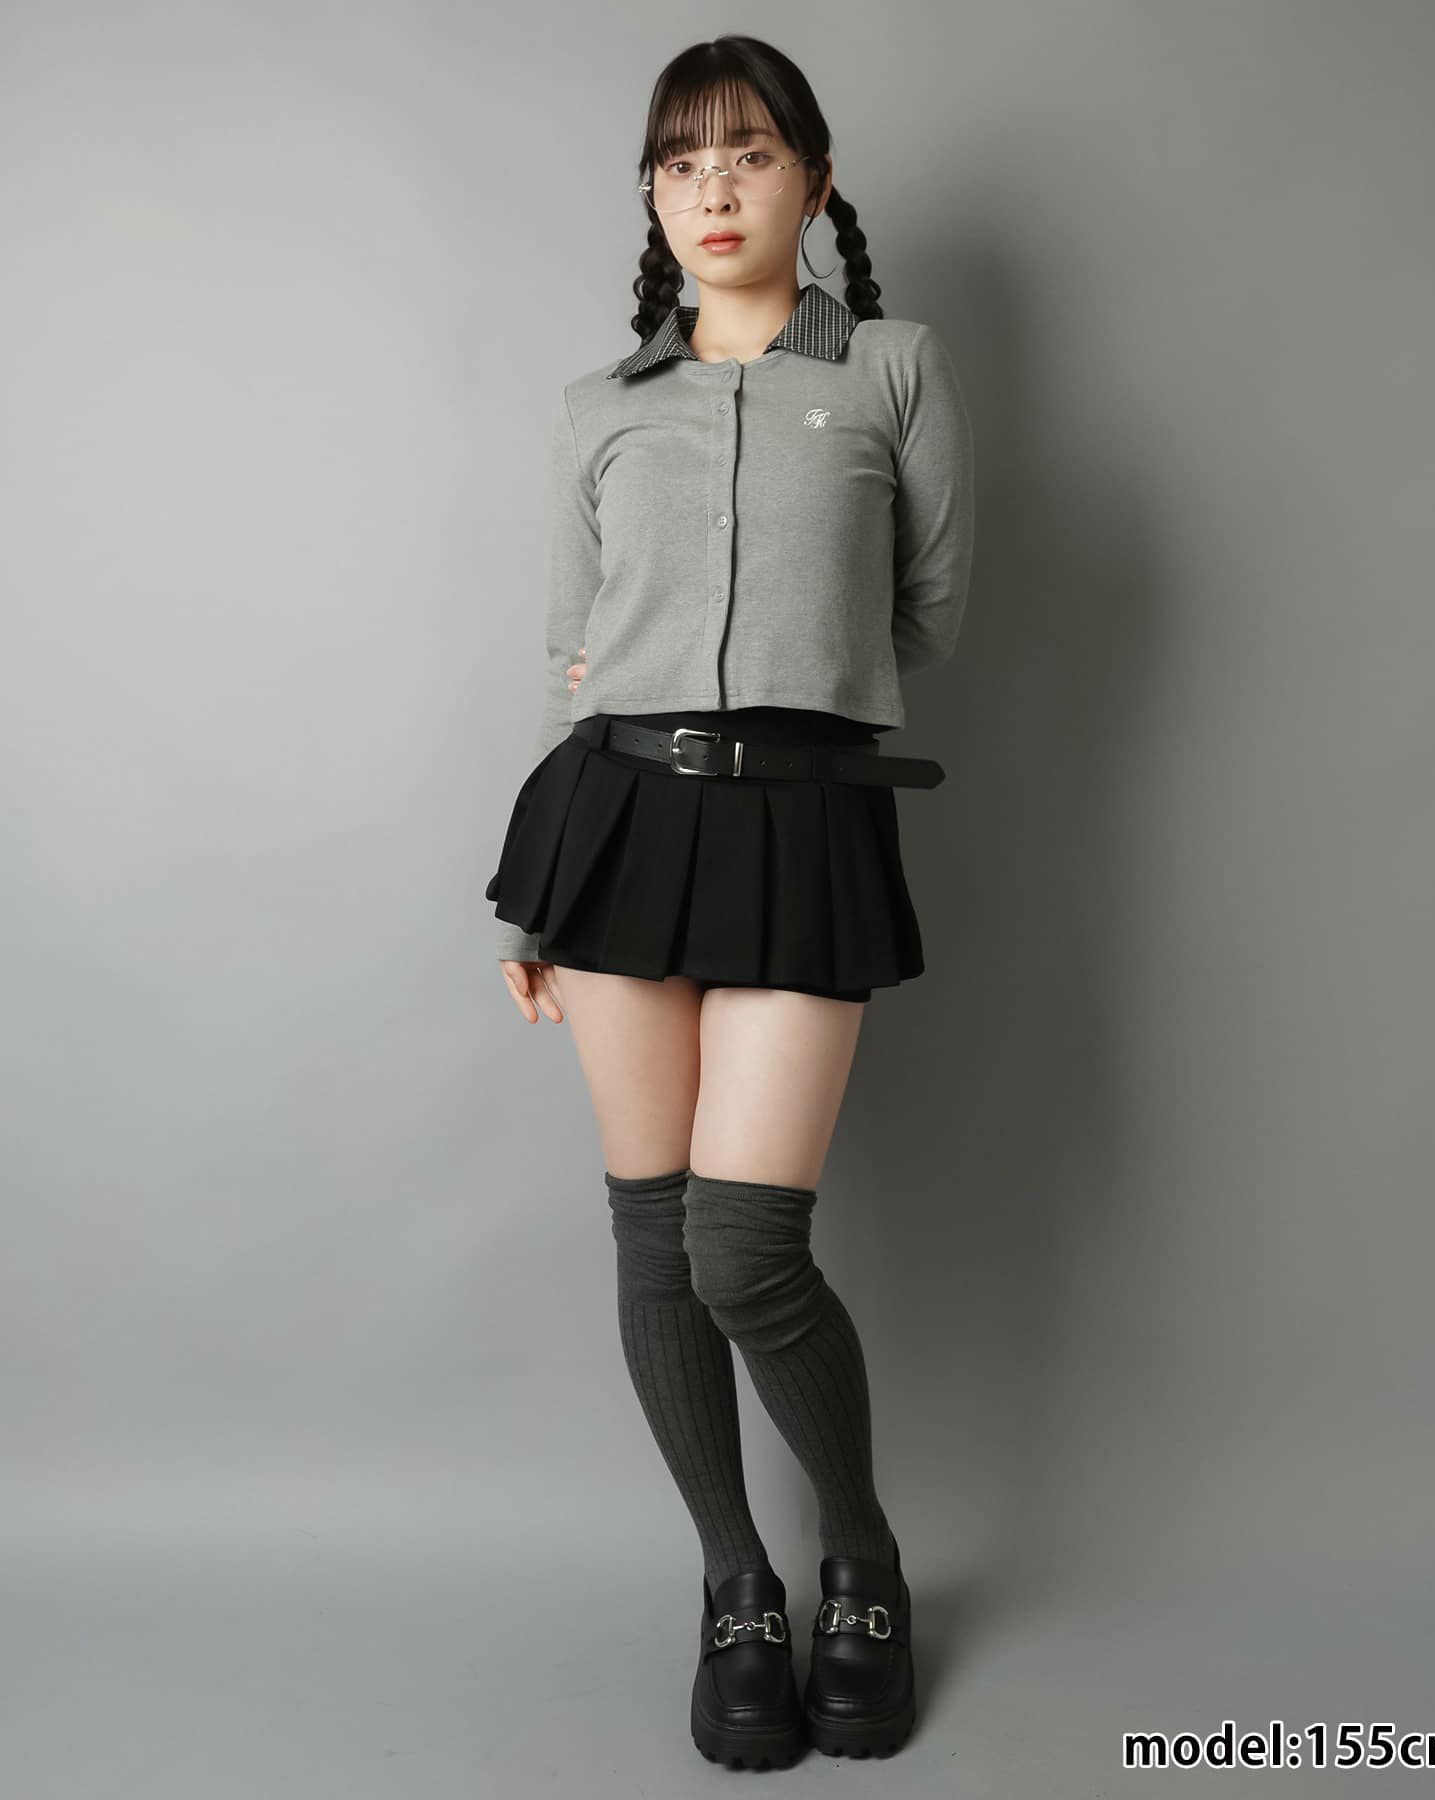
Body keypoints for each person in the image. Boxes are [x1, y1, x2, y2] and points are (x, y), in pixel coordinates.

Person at [482, 34, 974, 1768]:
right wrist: (532, 902)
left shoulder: (894, 369)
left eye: (749, 154)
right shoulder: (597, 407)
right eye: (682, 160)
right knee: (653, 1238)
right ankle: (736, 1584)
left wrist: (786, 686)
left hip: (803, 821)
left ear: (813, 183)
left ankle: (862, 1558)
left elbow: (925, 613)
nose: (714, 187)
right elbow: (574, 656)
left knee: (743, 1248)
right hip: (611, 822)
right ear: (651, 191)